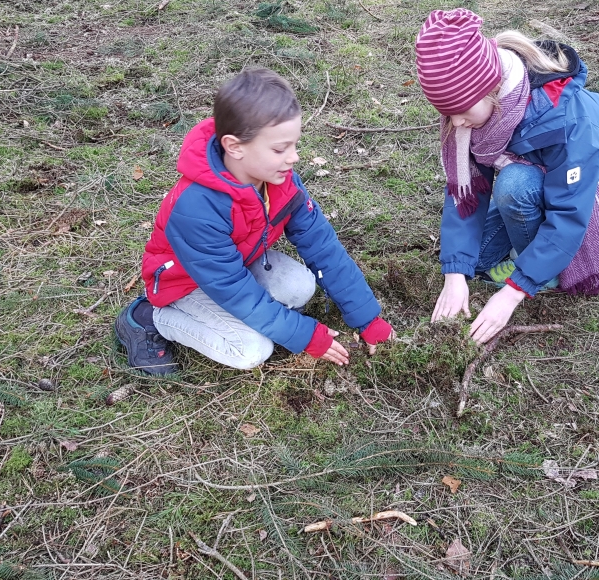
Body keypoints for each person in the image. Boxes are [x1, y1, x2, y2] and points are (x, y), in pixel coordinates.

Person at [114, 67, 395, 375]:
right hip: (183, 284)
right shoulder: (196, 207)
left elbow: (322, 247)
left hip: (237, 263)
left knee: (300, 287)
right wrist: (304, 335)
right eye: (280, 148)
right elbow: (232, 288)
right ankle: (148, 318)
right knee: (251, 350)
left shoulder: (280, 181)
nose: (294, 157)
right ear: (235, 147)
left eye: (294, 144)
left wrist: (367, 319)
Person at [415, 9, 599, 345]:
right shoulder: (474, 117)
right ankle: (529, 242)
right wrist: (454, 273)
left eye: (462, 113)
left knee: (514, 186)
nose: (457, 124)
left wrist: (513, 291)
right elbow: (466, 193)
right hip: (537, 170)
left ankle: (541, 272)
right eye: (448, 115)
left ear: (490, 90)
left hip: (590, 182)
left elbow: (569, 211)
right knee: (472, 261)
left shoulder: (564, 116)